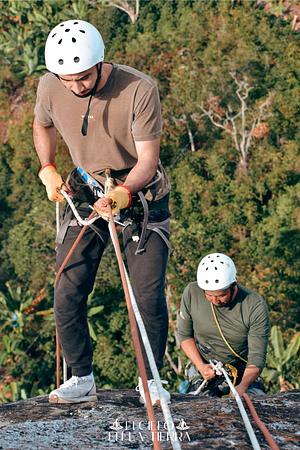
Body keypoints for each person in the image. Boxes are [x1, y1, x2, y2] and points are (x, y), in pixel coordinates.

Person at [33, 19, 171, 405]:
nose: (76, 87)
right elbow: (41, 125)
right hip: (85, 188)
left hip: (139, 195)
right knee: (67, 290)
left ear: (100, 63)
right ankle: (81, 377)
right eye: (67, 79)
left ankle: (152, 381)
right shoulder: (49, 85)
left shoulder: (138, 89)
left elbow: (148, 158)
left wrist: (124, 194)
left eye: (83, 77)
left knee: (145, 296)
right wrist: (47, 167)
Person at [177, 253, 270, 397]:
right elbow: (184, 336)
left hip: (243, 370)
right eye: (208, 295)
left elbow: (256, 357)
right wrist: (201, 366)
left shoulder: (254, 305)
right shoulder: (191, 293)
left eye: (221, 295)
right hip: (206, 366)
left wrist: (243, 386)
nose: (215, 300)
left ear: (234, 286)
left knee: (253, 403)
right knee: (200, 405)